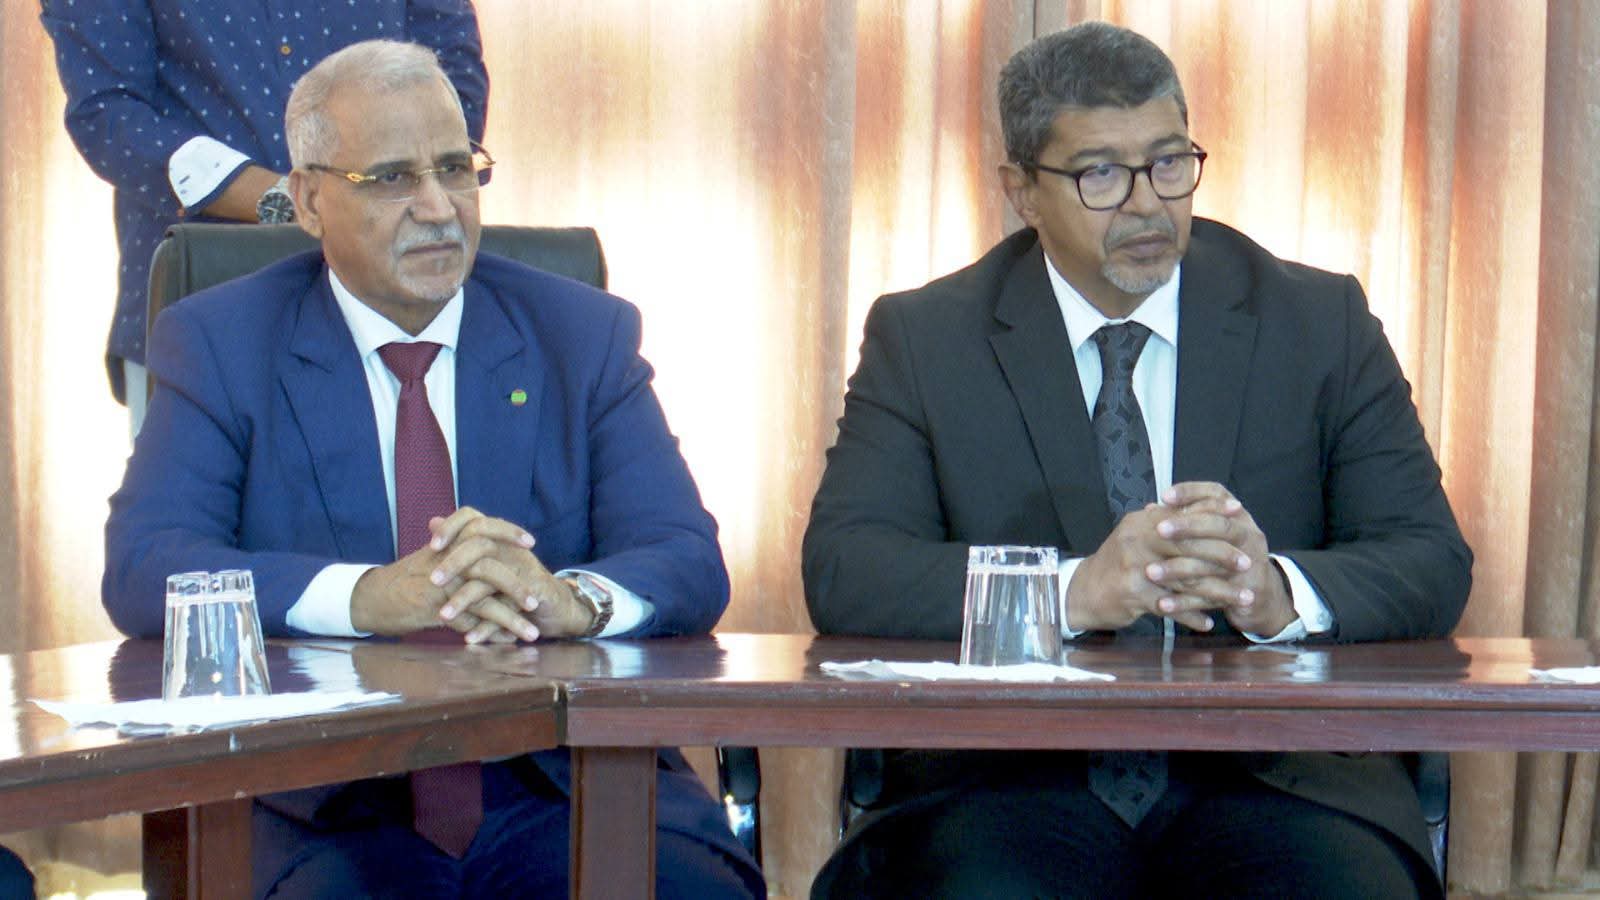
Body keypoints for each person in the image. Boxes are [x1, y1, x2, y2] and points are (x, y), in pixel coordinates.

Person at [803, 21, 1471, 900]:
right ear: (1022, 191)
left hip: (1278, 780)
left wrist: (1273, 592)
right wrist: (1073, 590)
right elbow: (846, 568)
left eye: (1168, 163)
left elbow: (1429, 557)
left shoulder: (1318, 321)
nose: (1148, 204)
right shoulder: (927, 338)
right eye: (1101, 175)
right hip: (1008, 781)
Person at [102, 39, 761, 899]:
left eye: (456, 168)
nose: (439, 207)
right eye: (392, 178)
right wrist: (365, 596)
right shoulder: (221, 341)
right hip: (320, 791)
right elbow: (146, 565)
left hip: (559, 775)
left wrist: (573, 600)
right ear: (309, 200)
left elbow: (686, 557)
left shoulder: (581, 333)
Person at [40, 0, 488, 420]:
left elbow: (452, 87)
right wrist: (289, 200)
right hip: (208, 300)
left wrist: (367, 191)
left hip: (399, 307)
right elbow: (109, 112)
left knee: (413, 476)